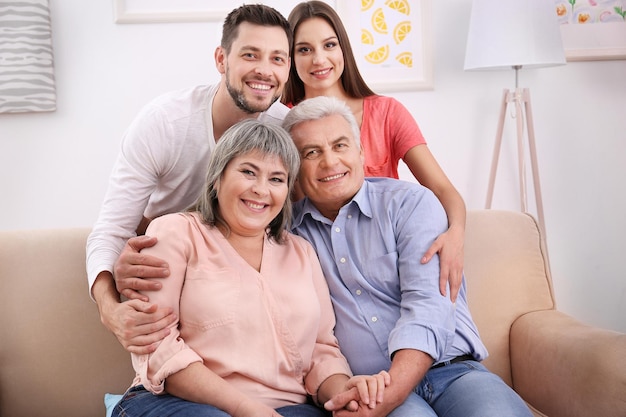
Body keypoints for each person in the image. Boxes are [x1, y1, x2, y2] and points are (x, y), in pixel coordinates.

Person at [111, 119, 390, 417]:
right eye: (248, 172)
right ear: (218, 178)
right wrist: (247, 410)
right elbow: (158, 348)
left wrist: (343, 393)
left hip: (288, 407)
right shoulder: (175, 232)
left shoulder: (301, 252)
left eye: (276, 179)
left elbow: (322, 349)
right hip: (178, 402)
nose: (261, 190)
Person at [281, 96, 533, 417]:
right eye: (311, 152)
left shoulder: (410, 204)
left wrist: (392, 391)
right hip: (369, 385)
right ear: (294, 167)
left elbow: (428, 305)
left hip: (453, 372)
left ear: (360, 152)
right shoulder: (288, 236)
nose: (330, 162)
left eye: (340, 146)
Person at [86, 4, 293, 353]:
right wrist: (111, 311)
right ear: (221, 59)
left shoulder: (286, 129)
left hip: (246, 278)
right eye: (250, 54)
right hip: (173, 273)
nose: (264, 70)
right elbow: (111, 229)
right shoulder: (165, 124)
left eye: (277, 58)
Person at [282, 1, 466, 302]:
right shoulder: (281, 123)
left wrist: (456, 236)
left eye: (329, 45)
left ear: (343, 49)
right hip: (321, 272)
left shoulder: (387, 113)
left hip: (383, 266)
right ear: (290, 58)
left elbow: (442, 189)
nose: (319, 59)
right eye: (304, 49)